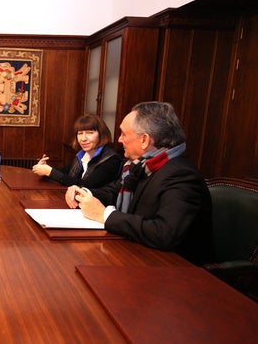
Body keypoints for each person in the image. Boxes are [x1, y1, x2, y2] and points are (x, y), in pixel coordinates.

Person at [65, 101, 213, 265]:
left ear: (144, 140)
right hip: (138, 255)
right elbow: (114, 192)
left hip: (174, 270)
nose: (119, 139)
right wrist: (84, 192)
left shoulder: (182, 175)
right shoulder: (140, 166)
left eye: (124, 134)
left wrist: (104, 215)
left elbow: (164, 233)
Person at [32, 114, 122, 188]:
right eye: (80, 133)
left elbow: (85, 185)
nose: (83, 139)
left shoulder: (111, 159)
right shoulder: (83, 154)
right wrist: (44, 169)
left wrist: (50, 172)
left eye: (90, 133)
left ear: (101, 134)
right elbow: (64, 172)